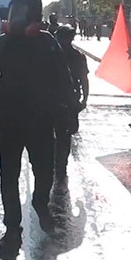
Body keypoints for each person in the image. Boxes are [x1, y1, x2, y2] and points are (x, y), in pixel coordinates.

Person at [0, 0, 76, 257]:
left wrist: (70, 112)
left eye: (20, 11)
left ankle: (40, 203)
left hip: (41, 121)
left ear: (34, 16)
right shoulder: (2, 44)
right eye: (13, 11)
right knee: (9, 175)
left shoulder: (48, 43)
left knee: (44, 171)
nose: (15, 17)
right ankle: (12, 227)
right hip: (8, 120)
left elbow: (64, 81)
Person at [54, 24, 89, 180]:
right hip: (56, 99)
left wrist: (85, 98)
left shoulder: (77, 56)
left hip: (68, 99)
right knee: (60, 135)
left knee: (64, 134)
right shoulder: (51, 55)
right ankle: (58, 165)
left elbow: (83, 79)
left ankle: (60, 165)